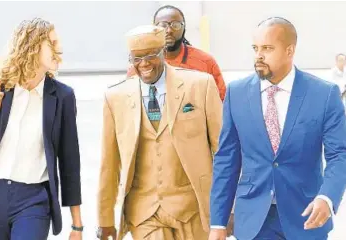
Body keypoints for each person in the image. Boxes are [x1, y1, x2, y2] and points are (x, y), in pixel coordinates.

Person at [209, 17, 346, 240]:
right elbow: (227, 159)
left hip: (306, 215)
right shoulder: (237, 93)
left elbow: (339, 154)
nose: (258, 56)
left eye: (267, 48)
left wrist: (327, 197)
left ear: (289, 50)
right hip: (254, 219)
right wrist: (218, 222)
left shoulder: (324, 94)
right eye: (255, 48)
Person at [96, 25, 223, 240]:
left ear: (163, 52)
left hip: (191, 209)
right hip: (144, 212)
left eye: (150, 56)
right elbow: (109, 164)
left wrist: (226, 208)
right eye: (136, 58)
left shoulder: (200, 85)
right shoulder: (115, 97)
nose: (143, 64)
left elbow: (222, 150)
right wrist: (104, 219)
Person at [0, 18, 83, 240]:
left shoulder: (62, 96)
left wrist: (77, 224)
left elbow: (70, 162)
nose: (61, 49)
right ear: (33, 46)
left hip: (34, 200)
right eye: (53, 44)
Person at [126, 5, 226, 101]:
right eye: (163, 25)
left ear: (184, 28)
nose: (169, 30)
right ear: (154, 30)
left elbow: (221, 101)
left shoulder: (205, 61)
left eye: (175, 25)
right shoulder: (141, 65)